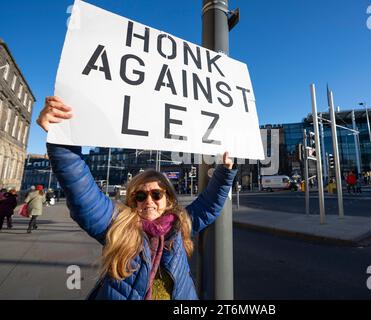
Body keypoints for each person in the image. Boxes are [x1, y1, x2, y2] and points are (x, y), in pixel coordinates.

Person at [37, 96, 237, 300]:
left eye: (156, 194)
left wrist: (224, 171)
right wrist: (61, 140)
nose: (149, 201)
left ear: (168, 199)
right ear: (132, 201)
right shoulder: (118, 226)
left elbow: (208, 206)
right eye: (140, 195)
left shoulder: (180, 224)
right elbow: (83, 193)